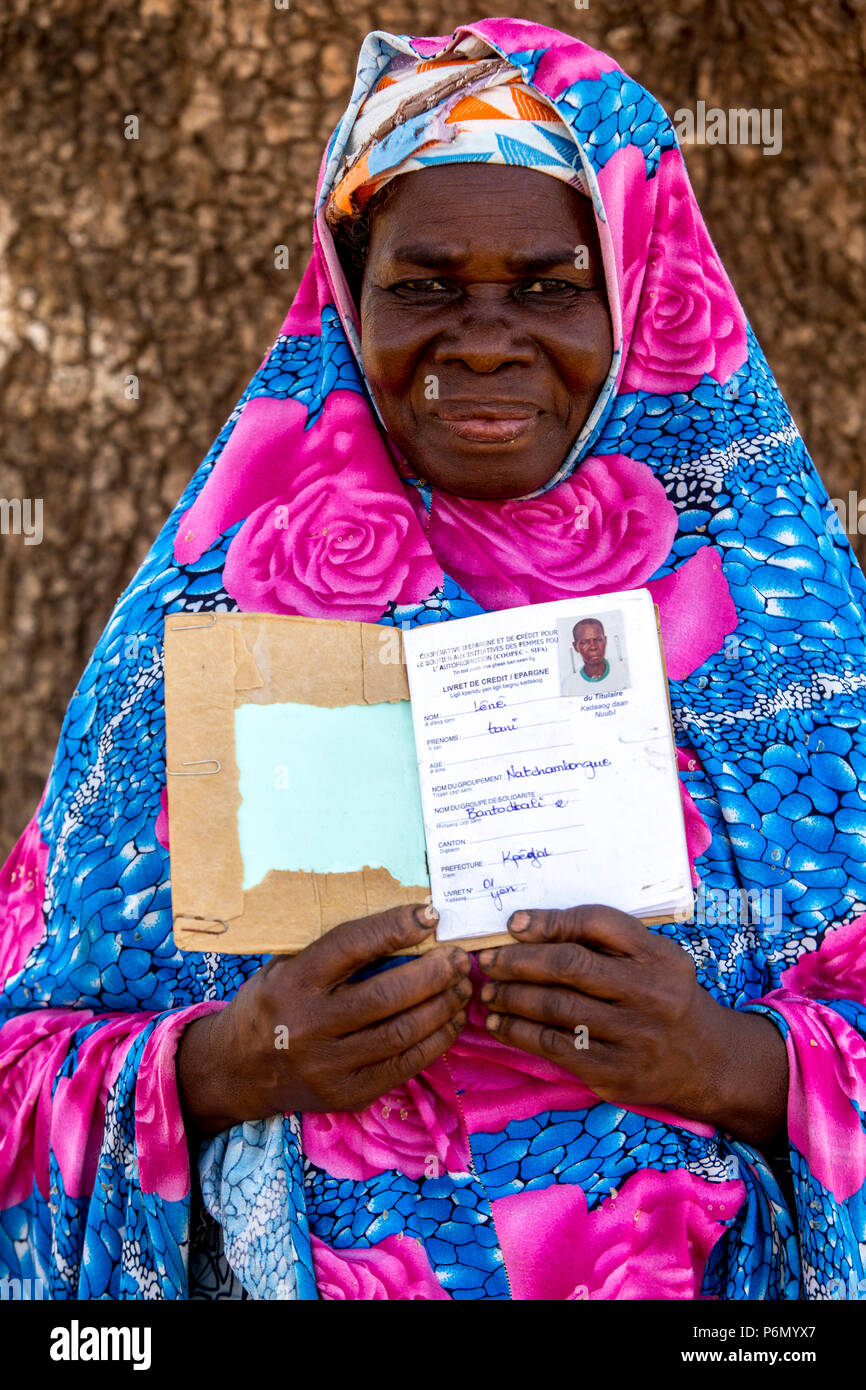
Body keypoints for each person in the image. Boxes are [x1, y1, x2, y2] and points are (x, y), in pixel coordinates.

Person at [2, 17, 865, 1302]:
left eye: (546, 283)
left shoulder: (787, 641)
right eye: (422, 284)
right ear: (349, 292)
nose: (480, 339)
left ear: (632, 282)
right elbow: (25, 1072)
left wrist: (729, 1064)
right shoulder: (207, 626)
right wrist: (234, 1062)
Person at [561, 617, 623, 695]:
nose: (593, 647)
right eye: (585, 642)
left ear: (605, 641)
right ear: (575, 646)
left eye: (598, 640)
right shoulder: (568, 686)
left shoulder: (625, 670)